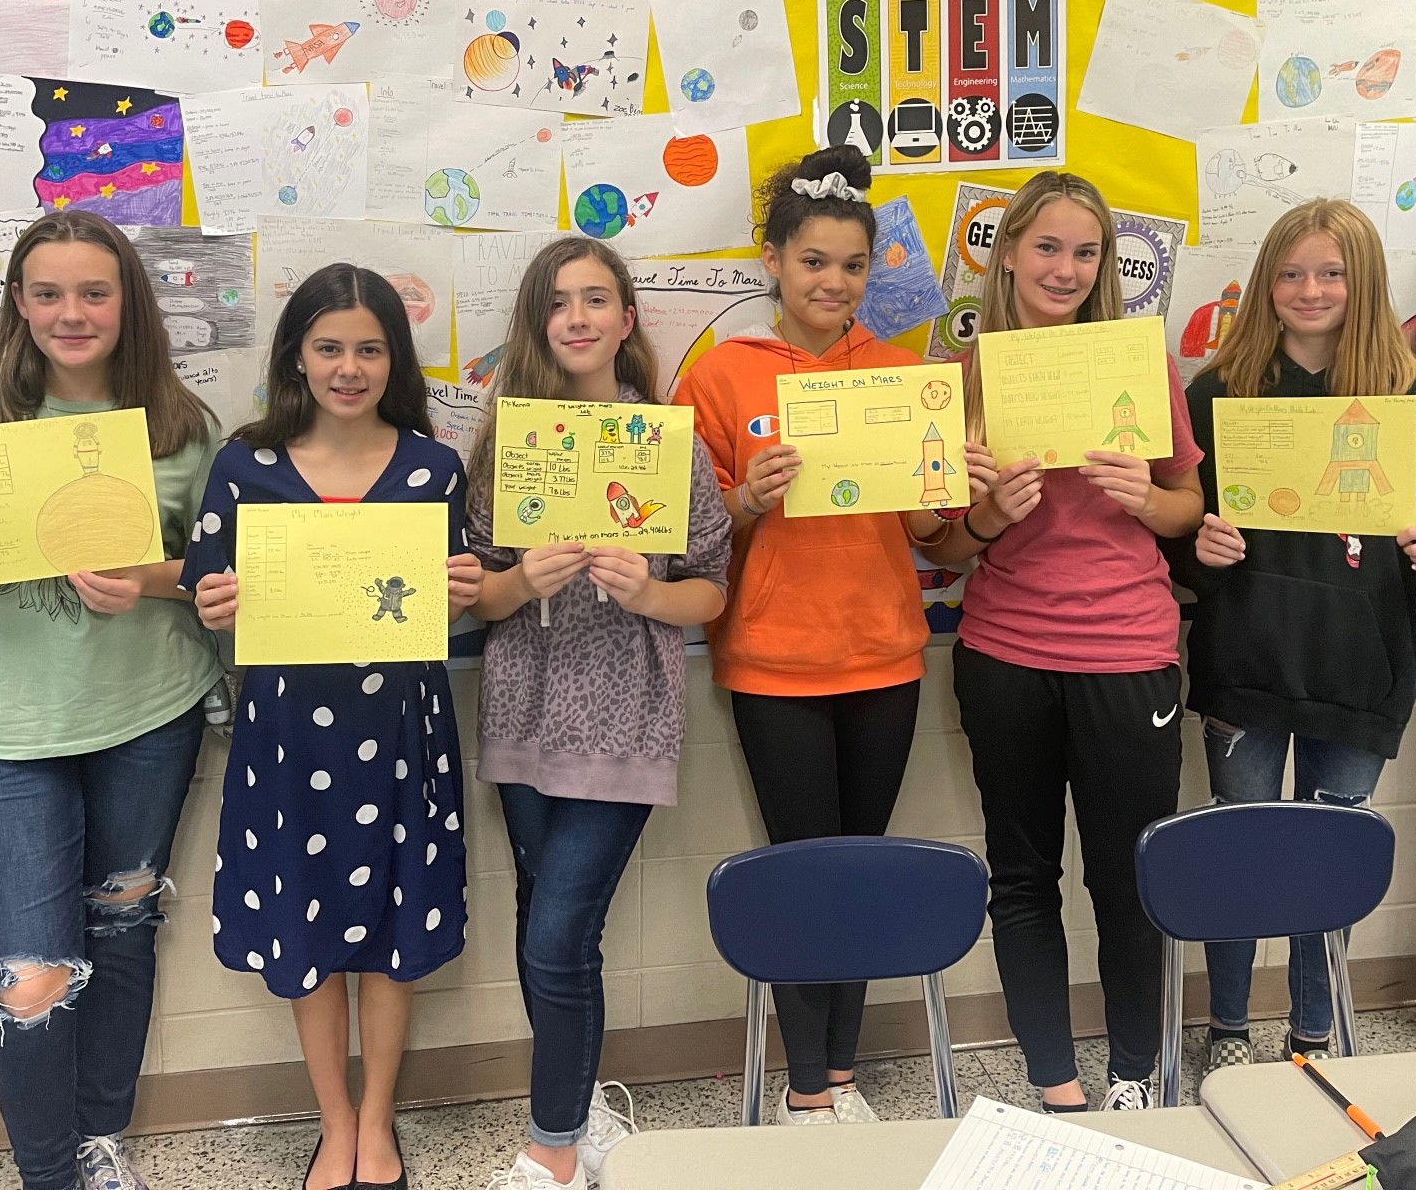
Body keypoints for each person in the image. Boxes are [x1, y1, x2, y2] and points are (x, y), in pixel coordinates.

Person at [0, 211, 223, 1190]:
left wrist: (148, 580)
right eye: (47, 293)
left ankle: (98, 1140)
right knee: (31, 977)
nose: (71, 313)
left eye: (94, 291)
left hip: (148, 716)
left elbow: (214, 575)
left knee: (121, 935)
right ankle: (48, 1175)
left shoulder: (183, 428)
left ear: (130, 304)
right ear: (18, 305)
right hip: (6, 729)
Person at [676, 147, 997, 1124]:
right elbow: (683, 534)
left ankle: (841, 1076)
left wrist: (960, 502)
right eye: (814, 262)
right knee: (802, 866)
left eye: (852, 266)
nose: (834, 282)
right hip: (774, 662)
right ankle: (804, 1083)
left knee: (861, 864)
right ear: (773, 262)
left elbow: (935, 541)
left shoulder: (903, 376)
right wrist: (741, 498)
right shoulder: (722, 377)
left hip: (885, 655)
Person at [1174, 199, 1416, 1074]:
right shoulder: (1219, 393)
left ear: (1364, 285)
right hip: (1246, 663)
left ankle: (1315, 1033)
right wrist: (1196, 545)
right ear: (1265, 286)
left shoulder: (1406, 398)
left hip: (1360, 671)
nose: (1309, 290)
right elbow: (1181, 535)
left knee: (1329, 861)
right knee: (1239, 849)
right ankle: (1230, 1030)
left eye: (1330, 273)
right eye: (1291, 273)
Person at [183, 263, 480, 1190]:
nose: (348, 367)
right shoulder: (244, 464)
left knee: (397, 929)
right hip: (287, 742)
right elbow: (202, 583)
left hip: (402, 734)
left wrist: (463, 595)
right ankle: (335, 1120)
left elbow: (450, 601)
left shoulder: (434, 467)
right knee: (302, 928)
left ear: (394, 360)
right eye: (328, 348)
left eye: (369, 348)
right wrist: (216, 602)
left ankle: (380, 1118)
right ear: (296, 356)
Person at [927, 171, 1205, 1112]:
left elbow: (1185, 509)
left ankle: (1135, 1073)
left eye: (1085, 252)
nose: (1066, 268)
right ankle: (1055, 1081)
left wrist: (1147, 498)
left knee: (1130, 875)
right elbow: (945, 546)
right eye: (1047, 247)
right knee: (1022, 873)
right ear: (1005, 252)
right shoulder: (964, 379)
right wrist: (991, 519)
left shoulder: (1140, 363)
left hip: (1128, 653)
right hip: (1005, 652)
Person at [467, 238, 732, 1190]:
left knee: (559, 934)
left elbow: (709, 592)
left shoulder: (668, 442)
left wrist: (646, 596)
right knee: (543, 913)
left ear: (626, 319)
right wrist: (517, 582)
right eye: (558, 303)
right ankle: (576, 1114)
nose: (577, 318)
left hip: (624, 712)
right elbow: (478, 593)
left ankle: (550, 1146)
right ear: (537, 323)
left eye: (596, 300)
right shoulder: (507, 443)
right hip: (526, 706)